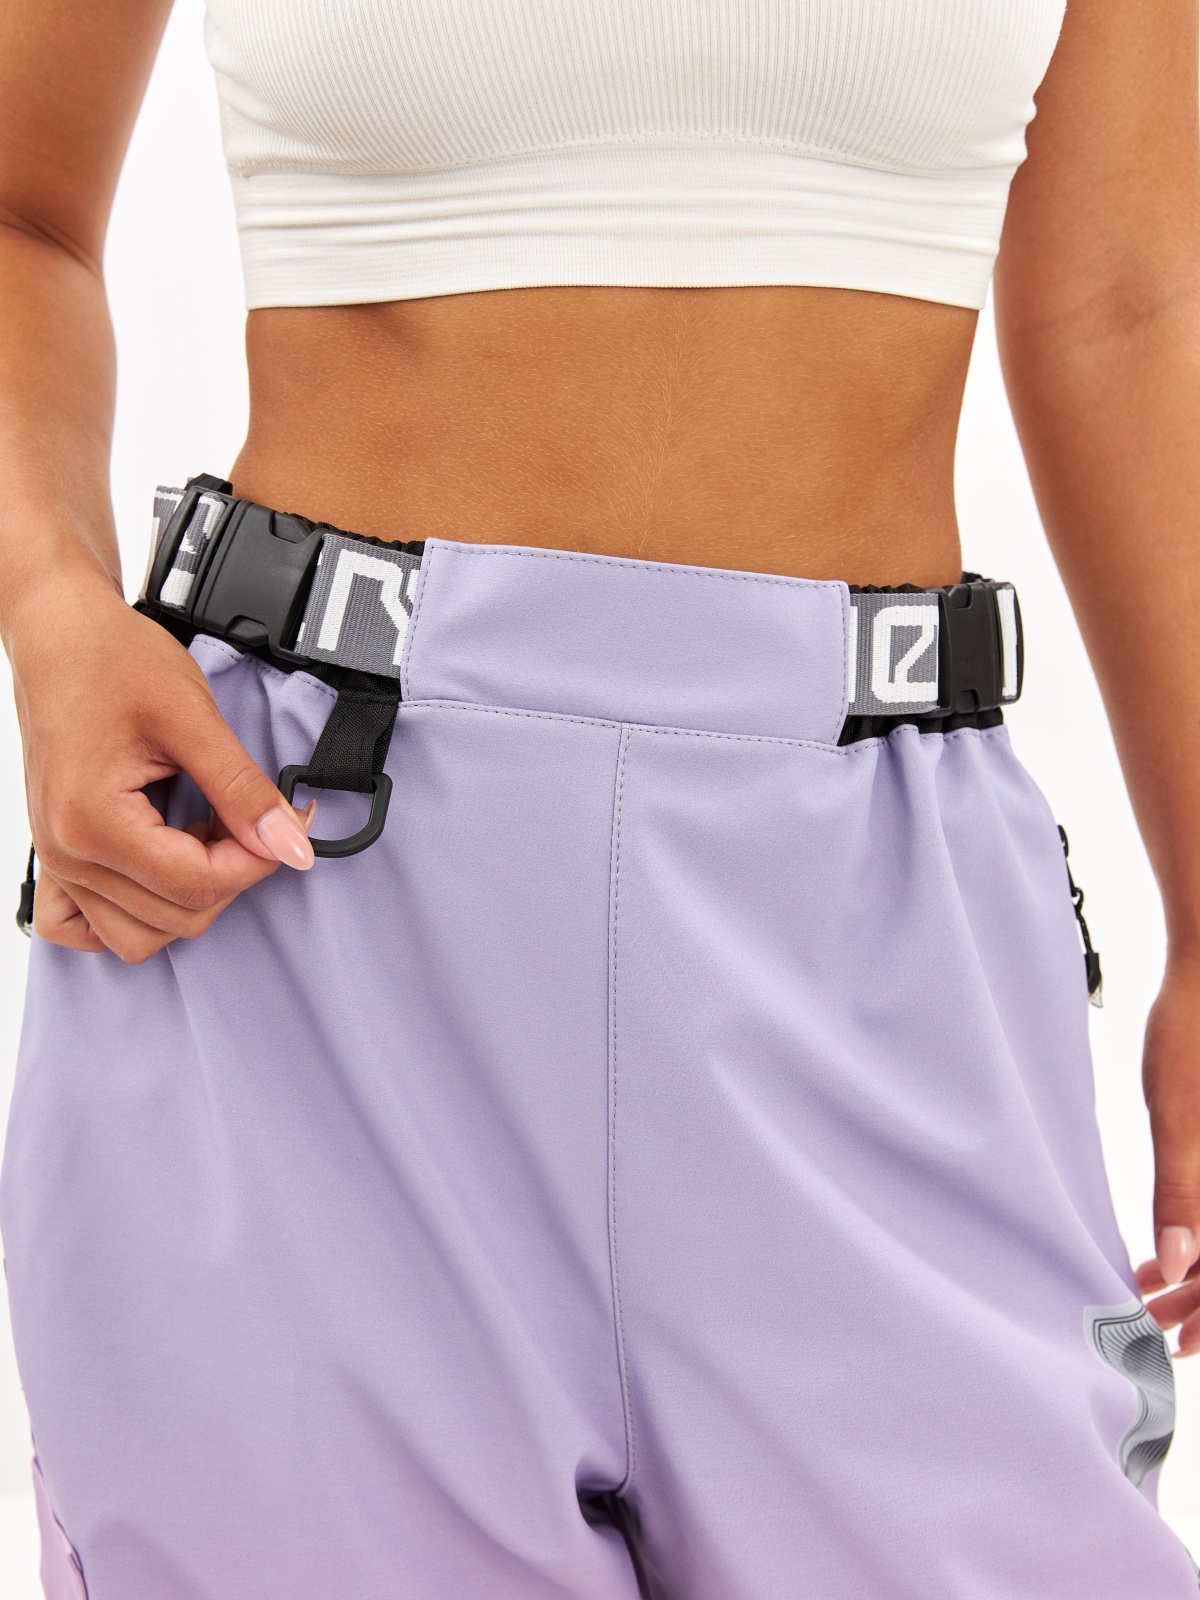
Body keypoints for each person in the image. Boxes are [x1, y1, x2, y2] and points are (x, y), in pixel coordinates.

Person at [2, 0, 1200, 1594]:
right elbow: (20, 212)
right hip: (300, 905)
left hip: (877, 936)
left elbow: (1128, 307)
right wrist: (51, 602)